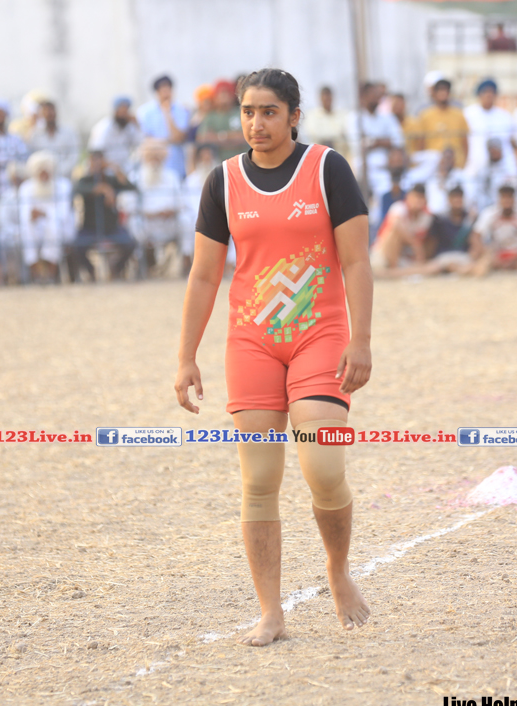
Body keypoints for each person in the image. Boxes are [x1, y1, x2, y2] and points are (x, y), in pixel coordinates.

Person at [177, 68, 372, 647]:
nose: (256, 123)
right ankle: (271, 612)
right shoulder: (223, 181)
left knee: (324, 470)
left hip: (320, 336)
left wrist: (361, 340)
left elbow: (356, 262)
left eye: (268, 112)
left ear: (293, 116)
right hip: (252, 342)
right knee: (259, 480)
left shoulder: (328, 169)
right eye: (247, 112)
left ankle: (338, 570)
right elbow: (204, 275)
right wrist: (186, 356)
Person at [70, 151, 138, 282]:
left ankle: (116, 269)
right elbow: (79, 189)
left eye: (100, 161)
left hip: (111, 226)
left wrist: (116, 168)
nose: (97, 164)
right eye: (93, 161)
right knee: (76, 246)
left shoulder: (111, 179)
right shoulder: (85, 180)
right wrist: (103, 189)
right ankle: (91, 271)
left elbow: (130, 187)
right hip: (90, 227)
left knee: (130, 244)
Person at [466, 183, 517, 275]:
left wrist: (513, 261)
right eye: (503, 197)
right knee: (474, 252)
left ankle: (506, 266)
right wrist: (485, 251)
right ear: (499, 199)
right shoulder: (489, 213)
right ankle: (510, 267)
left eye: (509, 197)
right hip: (496, 253)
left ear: (515, 199)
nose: (506, 201)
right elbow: (475, 236)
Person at [18, 151, 73, 283]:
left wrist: (45, 214)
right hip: (35, 228)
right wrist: (33, 216)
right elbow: (24, 216)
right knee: (26, 229)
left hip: (60, 226)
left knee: (54, 227)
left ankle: (51, 274)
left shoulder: (63, 185)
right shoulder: (26, 188)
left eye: (46, 171)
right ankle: (36, 274)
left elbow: (64, 215)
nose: (43, 175)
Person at [132, 139, 185, 274]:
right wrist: (151, 214)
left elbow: (181, 202)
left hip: (169, 222)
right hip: (146, 223)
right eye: (151, 156)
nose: (154, 160)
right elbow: (128, 204)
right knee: (133, 224)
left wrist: (171, 211)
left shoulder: (172, 176)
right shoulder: (135, 177)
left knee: (187, 221)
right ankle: (142, 265)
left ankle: (186, 262)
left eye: (157, 156)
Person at [346, 82, 404, 196]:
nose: (377, 97)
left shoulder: (387, 116)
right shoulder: (355, 118)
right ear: (363, 96)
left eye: (378, 94)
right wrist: (384, 141)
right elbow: (357, 145)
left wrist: (374, 142)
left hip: (389, 164)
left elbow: (399, 140)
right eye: (373, 94)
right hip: (367, 165)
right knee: (383, 188)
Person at [370, 183, 435, 275]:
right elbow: (396, 225)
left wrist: (416, 247)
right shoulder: (399, 207)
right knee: (395, 232)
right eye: (415, 197)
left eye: (420, 198)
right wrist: (414, 244)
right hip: (383, 252)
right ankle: (393, 269)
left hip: (405, 255)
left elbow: (422, 239)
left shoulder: (427, 216)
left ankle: (396, 271)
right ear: (408, 197)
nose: (417, 201)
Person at [136, 75, 190, 180]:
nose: (166, 94)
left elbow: (178, 138)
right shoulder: (145, 112)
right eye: (162, 90)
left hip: (176, 164)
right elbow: (146, 138)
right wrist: (166, 141)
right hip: (154, 165)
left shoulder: (181, 110)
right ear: (157, 92)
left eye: (168, 90)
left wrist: (167, 113)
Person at [410, 78, 469, 167]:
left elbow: (465, 142)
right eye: (440, 91)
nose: (443, 94)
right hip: (432, 165)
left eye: (445, 91)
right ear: (434, 93)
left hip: (456, 163)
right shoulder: (425, 116)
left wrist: (464, 163)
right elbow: (421, 143)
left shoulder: (459, 115)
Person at [463, 79, 513, 173]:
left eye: (491, 92)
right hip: (474, 167)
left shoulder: (504, 116)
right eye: (485, 92)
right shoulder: (468, 114)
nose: (488, 95)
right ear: (479, 95)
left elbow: (509, 142)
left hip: (500, 168)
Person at [27, 100, 80, 180]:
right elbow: (32, 158)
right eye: (45, 111)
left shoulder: (69, 133)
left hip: (64, 178)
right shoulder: (35, 135)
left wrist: (57, 172)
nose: (49, 114)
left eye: (51, 110)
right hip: (42, 179)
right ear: (41, 114)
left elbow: (73, 156)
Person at [89, 96, 143, 174]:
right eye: (121, 110)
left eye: (126, 111)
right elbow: (95, 155)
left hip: (126, 169)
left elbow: (140, 143)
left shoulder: (129, 127)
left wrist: (137, 124)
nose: (123, 114)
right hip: (106, 170)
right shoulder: (103, 128)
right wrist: (115, 168)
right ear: (115, 111)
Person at [198, 80, 249, 162]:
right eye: (220, 93)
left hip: (243, 161)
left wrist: (218, 137)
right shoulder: (210, 116)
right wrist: (231, 138)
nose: (223, 96)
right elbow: (203, 138)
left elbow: (245, 137)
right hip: (218, 163)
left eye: (226, 92)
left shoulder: (241, 113)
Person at [470, 137, 517, 213]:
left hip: (507, 209)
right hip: (488, 209)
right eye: (491, 149)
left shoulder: (511, 169)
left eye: (496, 148)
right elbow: (479, 192)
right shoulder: (483, 170)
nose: (494, 151)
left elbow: (516, 192)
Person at [303, 86, 349, 157]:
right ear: (320, 98)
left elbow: (345, 134)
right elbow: (314, 135)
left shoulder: (342, 115)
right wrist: (334, 138)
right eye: (325, 98)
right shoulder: (312, 116)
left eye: (328, 97)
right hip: (318, 156)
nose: (327, 100)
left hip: (338, 155)